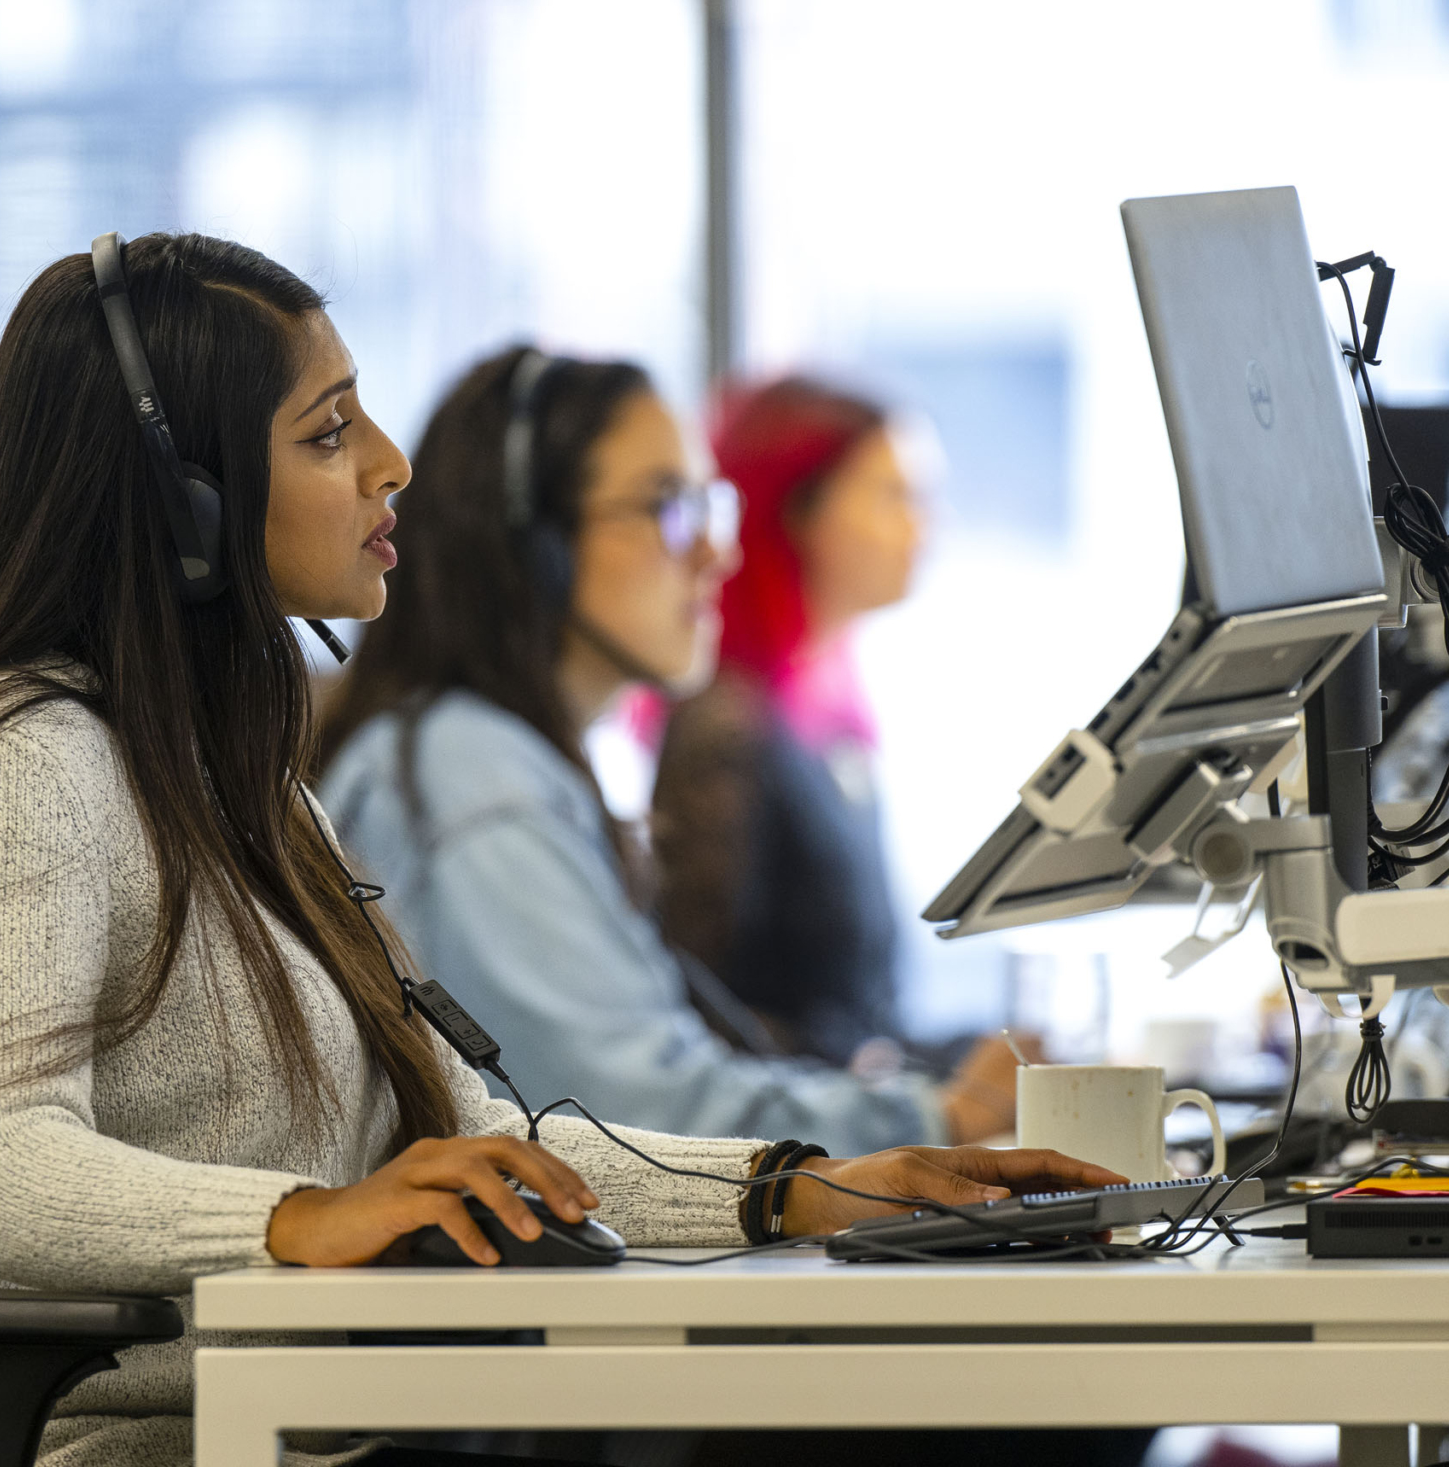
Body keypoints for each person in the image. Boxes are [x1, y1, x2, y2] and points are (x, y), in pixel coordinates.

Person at [0, 236, 1118, 1467]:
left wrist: (799, 1185)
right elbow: (8, 1169)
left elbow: (476, 1132)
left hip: (268, 1425)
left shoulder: (239, 785)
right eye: (329, 429)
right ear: (188, 503)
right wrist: (304, 1217)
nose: (390, 461)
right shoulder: (24, 756)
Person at [317, 348, 1025, 1154]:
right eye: (667, 506)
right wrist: (939, 1119)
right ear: (533, 538)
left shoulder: (503, 763)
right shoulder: (470, 775)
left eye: (710, 505)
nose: (716, 553)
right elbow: (629, 1108)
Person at [650, 377, 922, 1070]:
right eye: (894, 496)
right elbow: (698, 1008)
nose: (924, 525)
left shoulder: (826, 717)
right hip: (803, 1144)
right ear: (797, 509)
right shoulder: (725, 728)